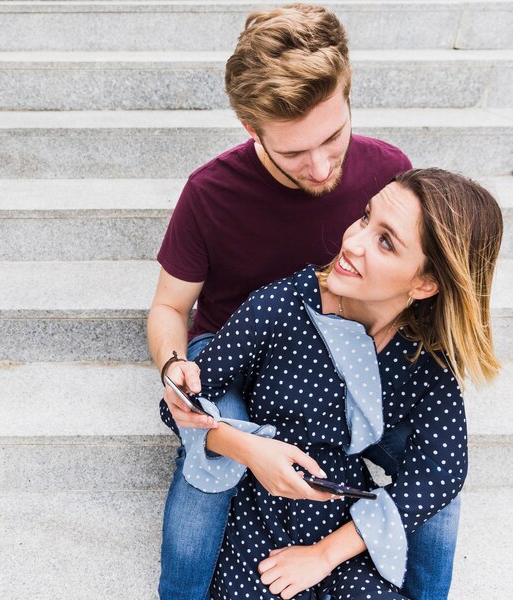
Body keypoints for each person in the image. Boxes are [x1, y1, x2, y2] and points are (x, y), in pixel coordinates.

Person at [148, 4, 458, 599]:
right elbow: (168, 308)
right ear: (252, 129)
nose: (320, 167)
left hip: (352, 346)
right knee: (208, 473)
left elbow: (416, 276)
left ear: (348, 97)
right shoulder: (210, 193)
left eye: (333, 137)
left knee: (437, 484)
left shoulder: (389, 171)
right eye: (293, 153)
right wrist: (173, 366)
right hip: (239, 347)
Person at [172, 168, 502, 598]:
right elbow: (178, 404)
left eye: (385, 241)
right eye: (365, 218)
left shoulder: (422, 355)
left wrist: (325, 554)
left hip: (343, 531)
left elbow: (440, 472)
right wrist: (250, 449)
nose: (352, 243)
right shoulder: (281, 306)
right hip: (259, 519)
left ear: (424, 284)